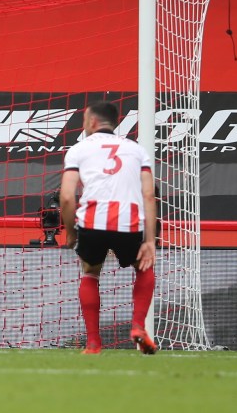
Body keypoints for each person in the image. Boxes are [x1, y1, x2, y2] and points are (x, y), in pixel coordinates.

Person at [60, 101, 158, 355]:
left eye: (84, 120)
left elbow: (68, 197)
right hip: (128, 222)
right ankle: (138, 327)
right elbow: (149, 195)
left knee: (91, 272)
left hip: (93, 222)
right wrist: (150, 240)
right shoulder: (137, 151)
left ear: (92, 122)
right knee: (144, 267)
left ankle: (93, 343)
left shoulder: (79, 149)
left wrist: (70, 231)